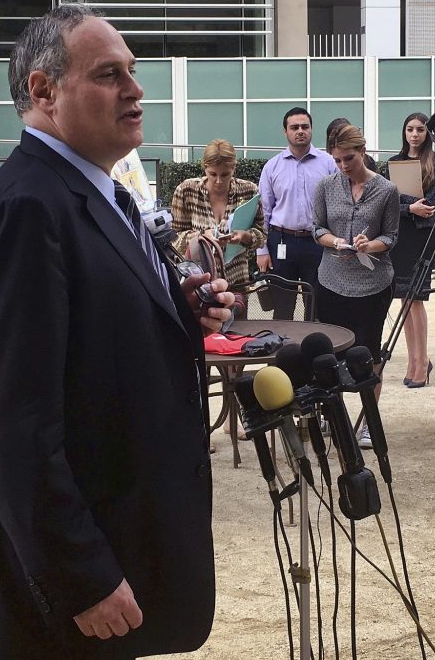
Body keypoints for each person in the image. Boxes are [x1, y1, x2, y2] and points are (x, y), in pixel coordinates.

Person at [0, 4, 234, 660]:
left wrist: (180, 308)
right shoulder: (25, 206)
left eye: (132, 71)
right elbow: (10, 420)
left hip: (104, 536)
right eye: (109, 74)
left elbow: (90, 334)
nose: (135, 89)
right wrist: (83, 575)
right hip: (46, 585)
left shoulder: (100, 190)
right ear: (44, 92)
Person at [313, 124, 400, 448]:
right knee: (332, 353)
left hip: (373, 284)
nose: (343, 166)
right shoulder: (324, 186)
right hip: (331, 281)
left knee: (368, 353)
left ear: (362, 152)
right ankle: (333, 414)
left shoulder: (387, 191)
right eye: (336, 160)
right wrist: (335, 240)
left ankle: (367, 420)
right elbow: (316, 228)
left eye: (348, 158)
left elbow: (391, 237)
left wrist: (369, 245)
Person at [385, 113, 435, 388]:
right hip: (400, 235)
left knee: (416, 299)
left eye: (420, 129)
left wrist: (410, 205)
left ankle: (422, 362)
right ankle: (412, 360)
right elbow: (390, 203)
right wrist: (410, 207)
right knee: (404, 300)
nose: (414, 134)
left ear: (426, 133)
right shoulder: (395, 162)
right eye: (409, 129)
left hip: (422, 235)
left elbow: (431, 202)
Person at [257, 107, 337, 315]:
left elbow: (339, 204)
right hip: (282, 242)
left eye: (305, 126)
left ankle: (318, 348)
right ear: (285, 132)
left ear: (311, 130)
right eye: (294, 127)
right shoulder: (272, 167)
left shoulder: (328, 163)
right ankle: (284, 348)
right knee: (283, 307)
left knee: (319, 306)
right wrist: (262, 251)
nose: (300, 131)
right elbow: (263, 212)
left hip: (319, 243)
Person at [171, 138, 266, 292]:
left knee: (238, 316)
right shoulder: (186, 190)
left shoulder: (248, 190)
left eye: (225, 174)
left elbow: (262, 234)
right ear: (204, 168)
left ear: (234, 168)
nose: (219, 181)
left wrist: (245, 236)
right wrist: (201, 237)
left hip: (237, 281)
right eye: (212, 174)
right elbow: (174, 239)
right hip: (199, 282)